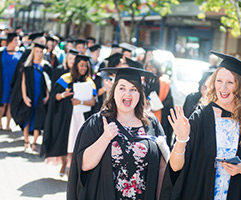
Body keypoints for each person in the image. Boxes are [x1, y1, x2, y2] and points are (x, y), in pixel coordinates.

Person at [160, 51, 241, 200]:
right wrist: (181, 139)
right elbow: (175, 168)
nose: (223, 88)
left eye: (230, 82)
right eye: (219, 81)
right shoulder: (200, 117)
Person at [67, 66, 170, 200]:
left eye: (133, 89)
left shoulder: (152, 124)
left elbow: (162, 168)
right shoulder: (98, 122)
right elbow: (84, 165)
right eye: (122, 88)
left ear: (140, 94)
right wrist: (105, 138)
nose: (128, 94)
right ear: (113, 91)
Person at [41, 54, 96, 176]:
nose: (83, 68)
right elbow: (54, 98)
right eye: (81, 65)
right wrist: (62, 95)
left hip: (81, 118)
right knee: (65, 141)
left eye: (85, 66)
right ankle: (64, 163)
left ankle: (71, 168)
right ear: (76, 66)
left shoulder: (89, 82)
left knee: (76, 142)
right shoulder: (66, 79)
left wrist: (80, 102)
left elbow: (93, 102)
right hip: (66, 117)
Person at [10, 43, 52, 152]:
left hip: (40, 96)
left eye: (41, 52)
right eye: (37, 51)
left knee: (37, 119)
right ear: (33, 52)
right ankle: (26, 141)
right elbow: (23, 83)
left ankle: (34, 142)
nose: (38, 54)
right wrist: (24, 97)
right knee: (27, 119)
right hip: (30, 95)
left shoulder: (45, 66)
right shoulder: (27, 66)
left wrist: (47, 96)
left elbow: (48, 83)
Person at [145, 59, 174, 147]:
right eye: (148, 66)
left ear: (157, 69)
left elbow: (169, 101)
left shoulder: (164, 83)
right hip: (144, 114)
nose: (150, 69)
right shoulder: (142, 80)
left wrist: (152, 102)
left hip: (161, 115)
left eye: (152, 67)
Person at [0, 32, 22, 131]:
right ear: (10, 41)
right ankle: (0, 123)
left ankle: (8, 124)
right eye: (16, 40)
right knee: (2, 103)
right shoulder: (2, 52)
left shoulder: (20, 53)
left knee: (10, 103)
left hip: (14, 82)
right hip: (3, 81)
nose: (18, 42)